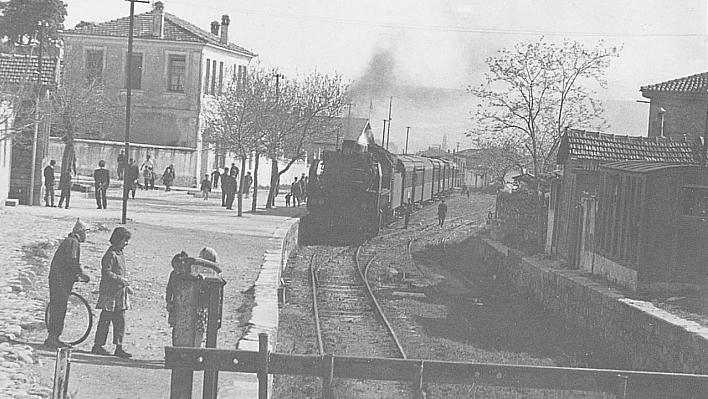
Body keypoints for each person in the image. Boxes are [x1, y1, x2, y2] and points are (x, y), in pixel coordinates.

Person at [45, 219, 91, 349]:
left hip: (60, 280)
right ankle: (52, 337)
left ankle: (54, 337)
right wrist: (81, 274)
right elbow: (72, 261)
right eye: (86, 232)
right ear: (80, 232)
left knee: (58, 308)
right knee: (58, 308)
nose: (87, 236)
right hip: (60, 281)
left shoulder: (71, 241)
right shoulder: (73, 242)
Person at [91, 227, 133, 359]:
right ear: (118, 240)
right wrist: (121, 280)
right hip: (110, 293)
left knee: (120, 321)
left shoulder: (120, 253)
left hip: (120, 293)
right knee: (105, 320)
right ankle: (98, 345)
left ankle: (118, 346)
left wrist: (126, 286)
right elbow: (106, 273)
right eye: (125, 240)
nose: (126, 243)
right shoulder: (110, 254)